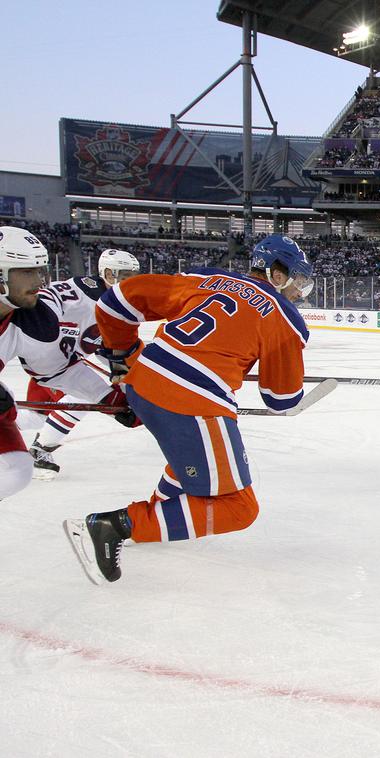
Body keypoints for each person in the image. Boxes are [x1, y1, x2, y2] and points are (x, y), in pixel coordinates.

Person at [62, 234, 316, 584]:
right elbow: (280, 398)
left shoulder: (207, 279)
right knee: (239, 508)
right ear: (276, 273)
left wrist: (122, 356)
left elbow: (114, 302)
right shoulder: (285, 319)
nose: (299, 291)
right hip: (192, 400)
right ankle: (116, 525)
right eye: (297, 280)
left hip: (142, 380)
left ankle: (158, 517)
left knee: (190, 460)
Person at [0, 227, 135, 499]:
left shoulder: (32, 323)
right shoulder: (91, 303)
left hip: (54, 359)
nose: (39, 281)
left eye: (40, 271)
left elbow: (59, 371)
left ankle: (40, 444)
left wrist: (108, 398)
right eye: (27, 272)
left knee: (17, 468)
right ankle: (43, 444)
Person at [21, 248, 142, 478]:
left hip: (66, 366)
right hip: (49, 364)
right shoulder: (83, 293)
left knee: (38, 414)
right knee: (65, 403)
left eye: (133, 277)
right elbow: (48, 300)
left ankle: (36, 447)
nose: (129, 284)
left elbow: (104, 348)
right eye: (124, 277)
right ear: (108, 274)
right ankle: (39, 450)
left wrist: (122, 372)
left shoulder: (119, 308)